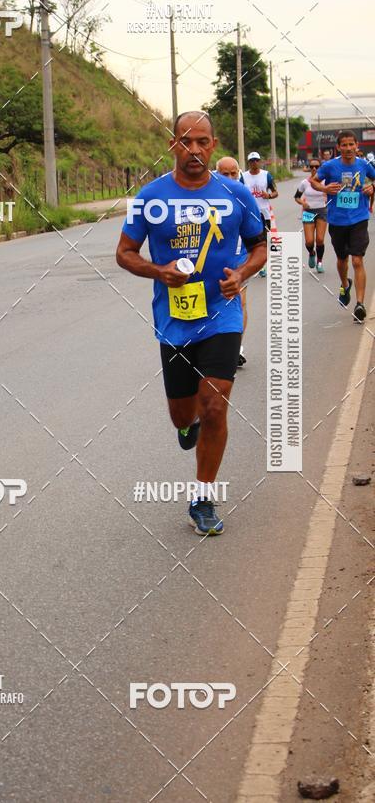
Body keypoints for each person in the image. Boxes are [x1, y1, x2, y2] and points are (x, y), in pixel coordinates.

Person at [116, 112, 267, 535]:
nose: (195, 150)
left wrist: (241, 275)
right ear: (173, 146)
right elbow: (125, 253)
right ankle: (188, 424)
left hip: (222, 313)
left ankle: (202, 497)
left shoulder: (236, 194)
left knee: (215, 403)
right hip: (175, 319)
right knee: (182, 414)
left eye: (202, 142)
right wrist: (158, 271)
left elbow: (259, 246)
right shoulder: (151, 195)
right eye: (186, 141)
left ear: (213, 145)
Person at [310, 130, 375, 322]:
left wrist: (372, 187)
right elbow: (314, 181)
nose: (348, 148)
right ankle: (345, 284)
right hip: (337, 220)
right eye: (344, 145)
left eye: (351, 145)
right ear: (338, 147)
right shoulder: (330, 166)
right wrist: (324, 188)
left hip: (359, 218)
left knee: (357, 260)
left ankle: (360, 304)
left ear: (357, 146)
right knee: (342, 260)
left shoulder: (364, 165)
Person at [215, 156, 248, 367]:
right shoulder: (207, 196)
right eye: (224, 174)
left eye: (233, 173)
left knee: (240, 301)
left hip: (239, 257)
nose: (229, 177)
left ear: (239, 173)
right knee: (215, 301)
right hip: (213, 258)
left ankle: (236, 349)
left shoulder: (245, 197)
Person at [242, 152, 278, 277]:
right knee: (251, 240)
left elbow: (275, 192)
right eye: (252, 161)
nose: (254, 163)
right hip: (249, 213)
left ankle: (264, 266)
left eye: (256, 160)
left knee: (264, 240)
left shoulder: (266, 175)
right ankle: (253, 264)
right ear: (248, 163)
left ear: (260, 161)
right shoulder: (243, 176)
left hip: (264, 213)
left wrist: (268, 195)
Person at [294, 158, 327, 272]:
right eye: (312, 166)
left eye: (317, 167)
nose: (314, 168)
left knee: (320, 239)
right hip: (308, 212)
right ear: (309, 168)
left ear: (320, 168)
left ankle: (320, 262)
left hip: (322, 211)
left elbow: (332, 193)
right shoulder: (304, 183)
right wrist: (303, 203)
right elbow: (296, 197)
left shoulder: (325, 181)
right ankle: (312, 253)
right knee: (309, 241)